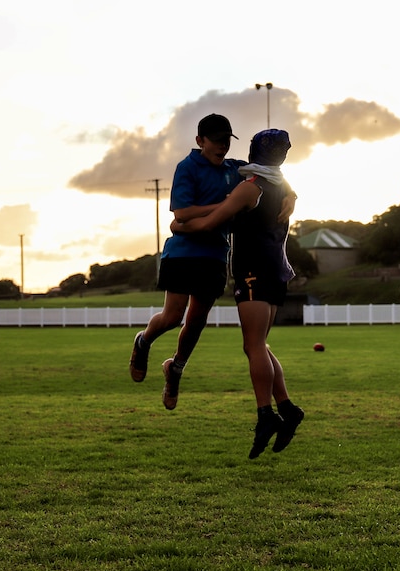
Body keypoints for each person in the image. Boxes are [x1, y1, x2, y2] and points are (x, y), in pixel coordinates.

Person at [128, 114, 295, 412]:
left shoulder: (235, 169)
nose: (222, 147)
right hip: (183, 252)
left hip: (215, 255)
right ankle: (143, 342)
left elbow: (271, 176)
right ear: (199, 141)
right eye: (216, 141)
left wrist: (292, 193)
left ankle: (175, 369)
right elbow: (182, 214)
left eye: (226, 141)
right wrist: (225, 205)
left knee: (196, 321)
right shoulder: (187, 168)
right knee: (173, 317)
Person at [170, 128, 304, 458]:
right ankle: (286, 408)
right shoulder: (279, 182)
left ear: (255, 149)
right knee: (260, 345)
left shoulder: (250, 187)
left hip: (254, 270)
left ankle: (265, 416)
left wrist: (177, 226)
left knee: (253, 345)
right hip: (277, 270)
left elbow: (210, 222)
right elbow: (287, 186)